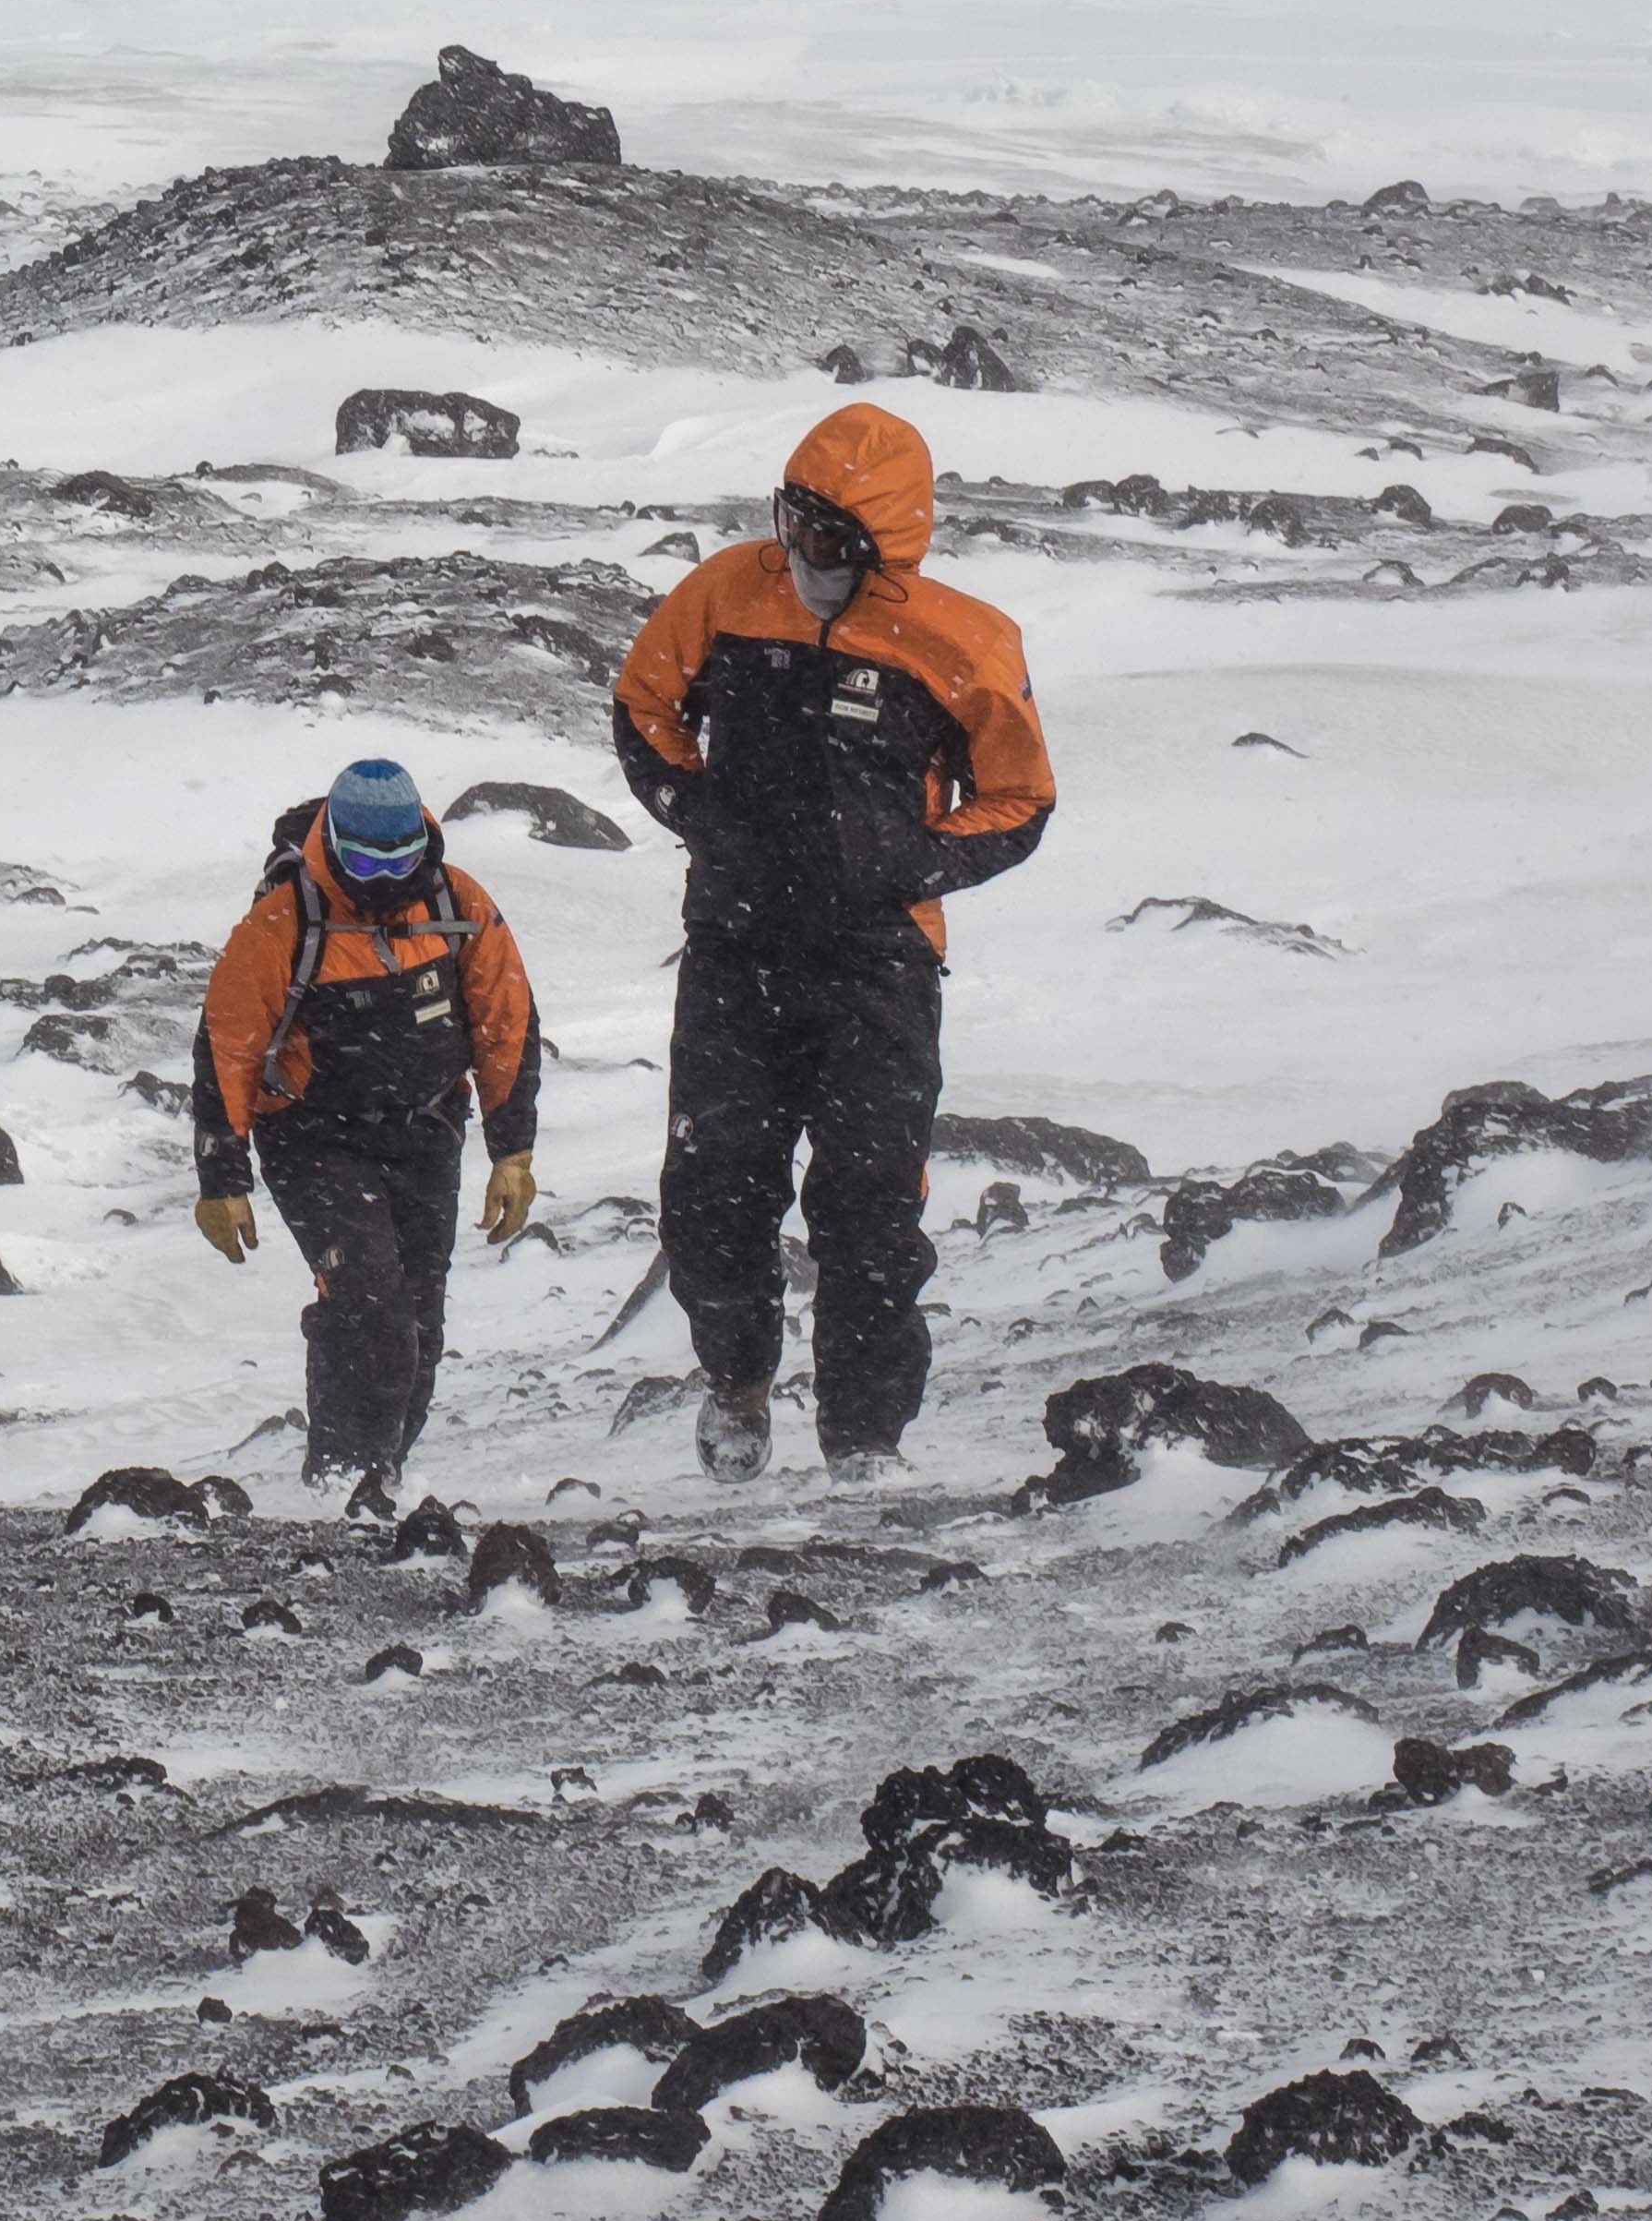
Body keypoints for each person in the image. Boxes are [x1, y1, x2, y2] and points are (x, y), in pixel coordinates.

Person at [611, 400, 1056, 1484]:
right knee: (713, 1191)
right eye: (787, 521)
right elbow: (640, 705)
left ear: (876, 545)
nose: (797, 552)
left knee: (867, 1209)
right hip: (734, 952)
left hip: (876, 966)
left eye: (820, 536)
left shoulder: (966, 639)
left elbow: (1019, 797)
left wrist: (912, 862)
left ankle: (862, 1443)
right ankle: (736, 1387)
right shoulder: (724, 591)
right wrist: (694, 808)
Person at [191, 761, 543, 1490]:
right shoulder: (284, 922)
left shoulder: (459, 900)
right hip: (313, 1139)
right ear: (331, 847)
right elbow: (225, 1046)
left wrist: (512, 1152)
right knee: (371, 1310)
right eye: (361, 862)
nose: (384, 878)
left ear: (425, 842)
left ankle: (374, 1482)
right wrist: (220, 1178)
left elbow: (506, 1020)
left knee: (419, 1327)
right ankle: (344, 1477)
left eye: (402, 859)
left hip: (426, 1132)